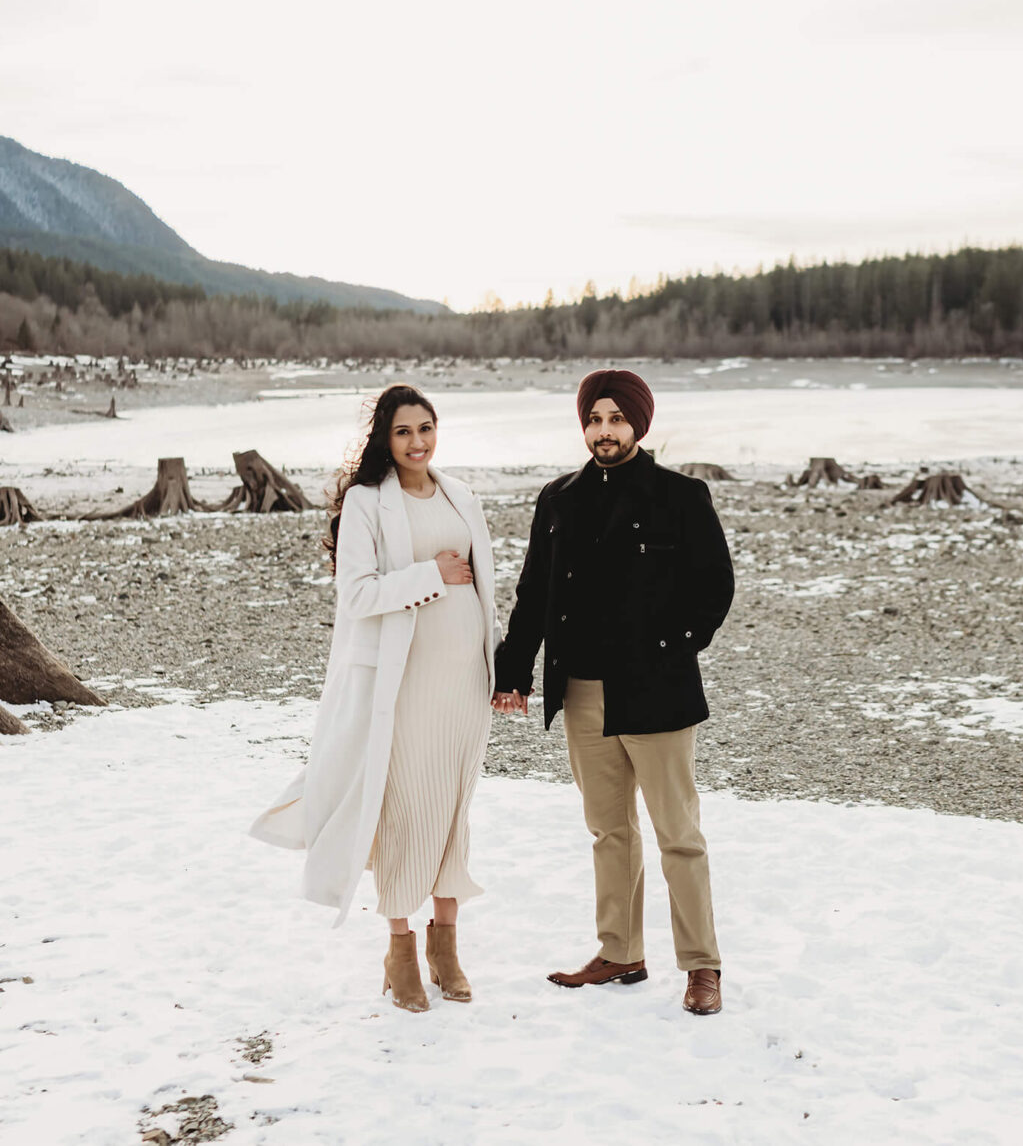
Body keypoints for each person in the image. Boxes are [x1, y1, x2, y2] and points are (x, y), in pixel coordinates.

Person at [492, 368, 735, 1015]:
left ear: (638, 424)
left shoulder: (681, 495)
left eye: (617, 419)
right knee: (609, 830)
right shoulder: (558, 498)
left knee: (677, 832)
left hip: (656, 689)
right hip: (581, 690)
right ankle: (620, 948)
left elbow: (715, 588)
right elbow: (533, 593)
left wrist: (673, 646)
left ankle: (702, 964)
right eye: (595, 419)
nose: (605, 430)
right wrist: (513, 670)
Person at [252, 384, 500, 1013]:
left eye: (427, 428)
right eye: (404, 432)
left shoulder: (462, 496)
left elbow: (486, 589)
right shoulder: (365, 504)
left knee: (452, 811)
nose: (418, 442)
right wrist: (430, 576)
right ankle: (401, 949)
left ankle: (447, 947)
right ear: (384, 440)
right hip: (404, 681)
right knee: (404, 811)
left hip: (464, 683)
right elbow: (357, 595)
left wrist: (501, 668)